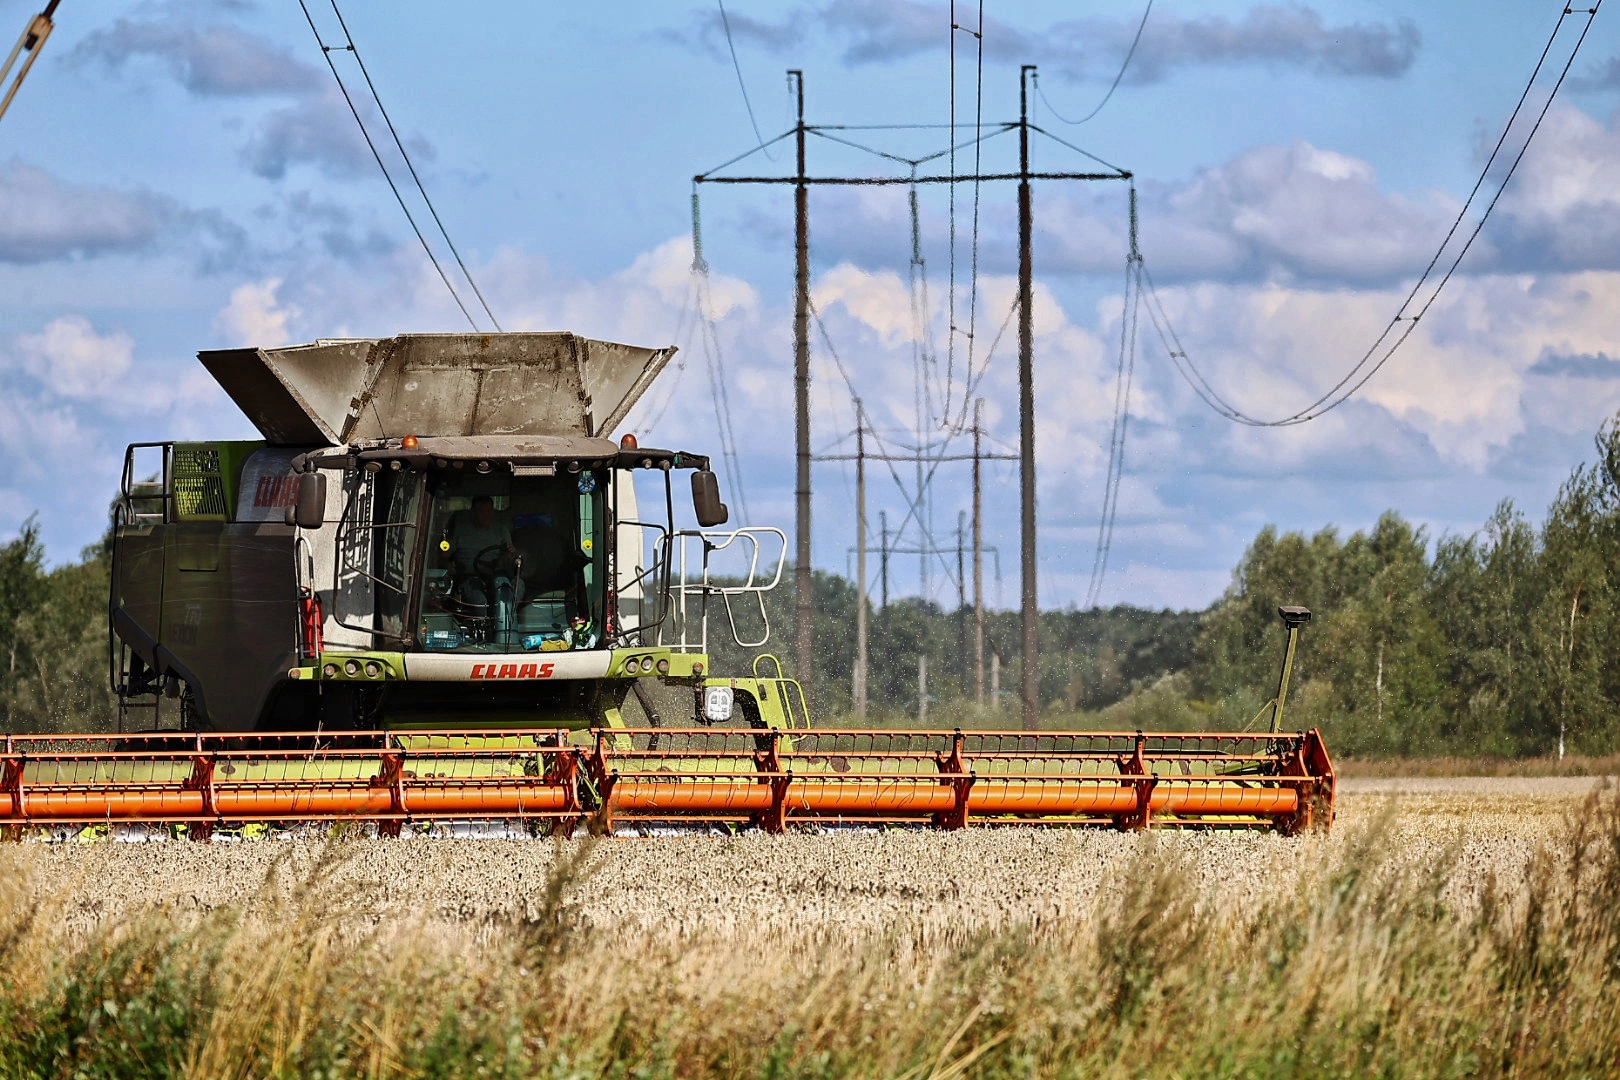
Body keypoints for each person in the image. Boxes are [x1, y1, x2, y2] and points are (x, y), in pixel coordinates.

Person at [444, 495, 521, 626]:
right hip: (469, 577)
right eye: (480, 511)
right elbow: (443, 556)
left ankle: (508, 625)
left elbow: (510, 557)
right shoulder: (461, 531)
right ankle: (486, 633)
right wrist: (447, 565)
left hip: (496, 575)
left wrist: (511, 554)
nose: (485, 514)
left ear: (493, 512)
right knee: (479, 600)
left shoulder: (501, 530)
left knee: (518, 586)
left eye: (488, 510)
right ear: (473, 512)